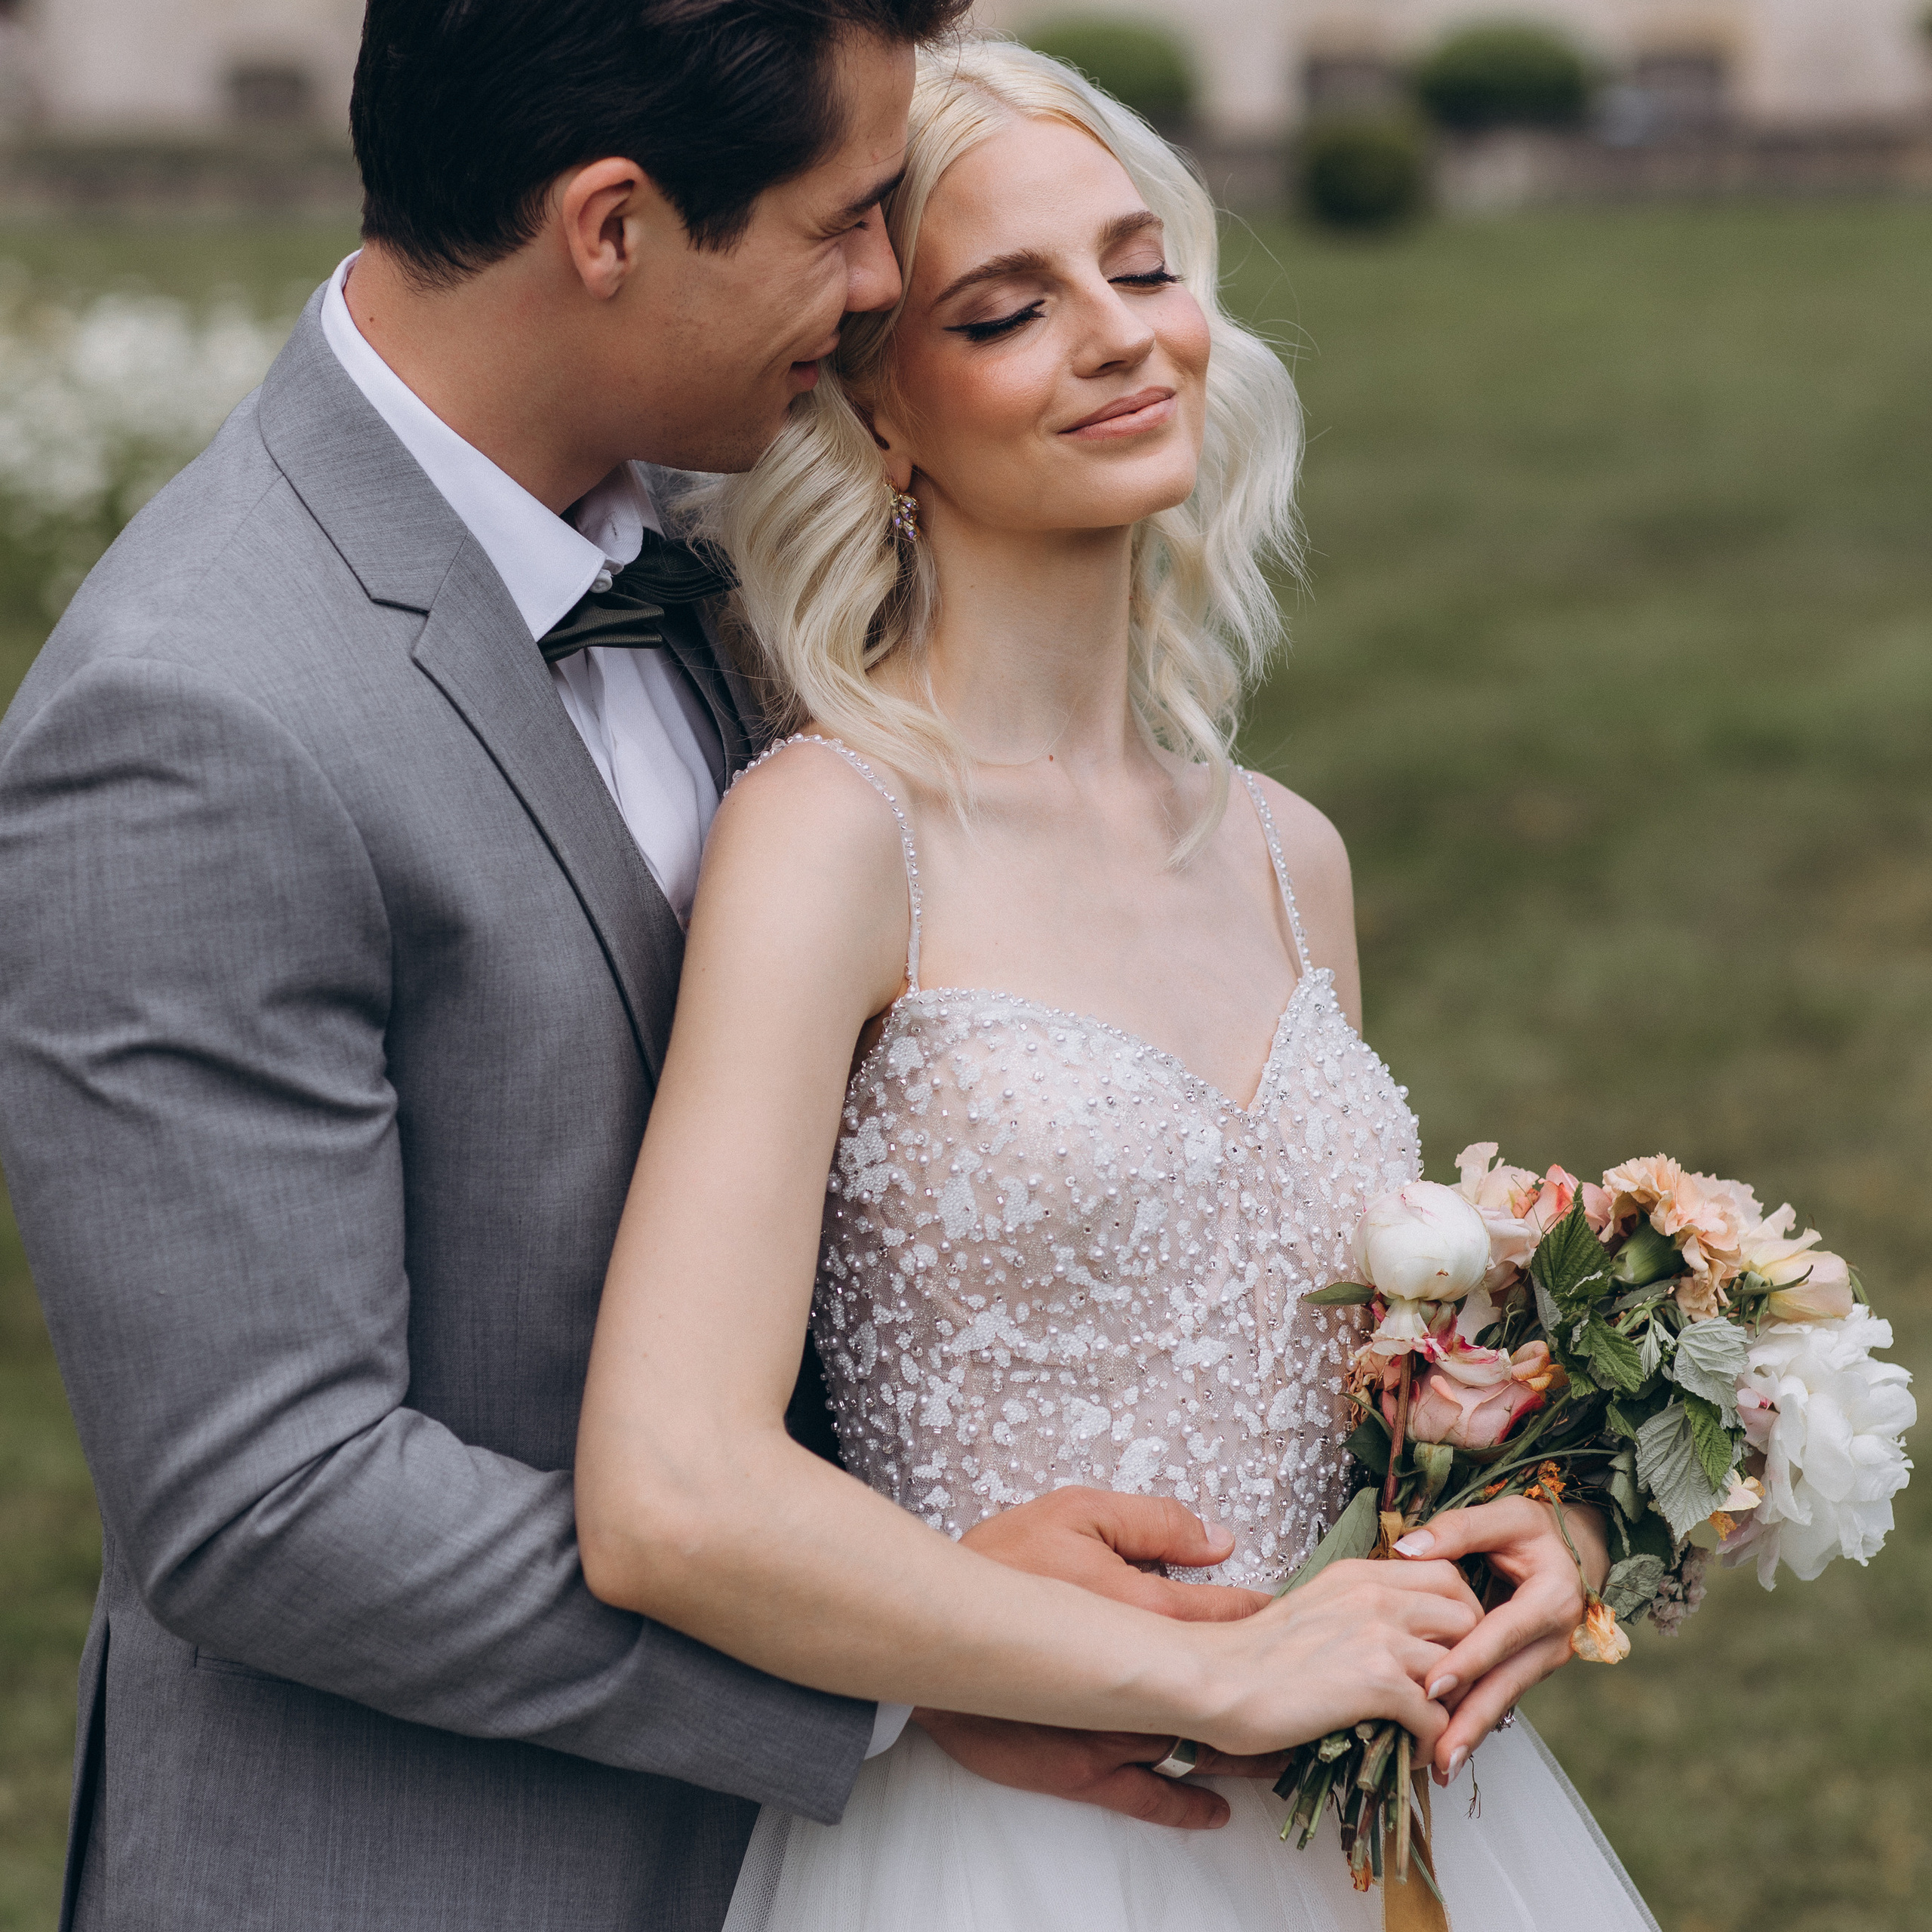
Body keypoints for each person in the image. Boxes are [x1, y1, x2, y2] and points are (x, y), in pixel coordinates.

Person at [0, 7, 1364, 1930]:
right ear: (612, 225)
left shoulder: (741, 571)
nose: (881, 280)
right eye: (836, 227)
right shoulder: (195, 709)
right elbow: (267, 1503)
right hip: (437, 1864)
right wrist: (930, 1653)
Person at [572, 40, 1663, 1932]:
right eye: (1006, 309)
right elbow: (671, 1485)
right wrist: (1205, 1671)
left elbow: (1324, 1383)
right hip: (1024, 1841)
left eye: (1140, 268)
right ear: (879, 409)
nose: (1117, 338)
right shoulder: (830, 835)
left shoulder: (1285, 851)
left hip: (1390, 1817)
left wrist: (1555, 1521)